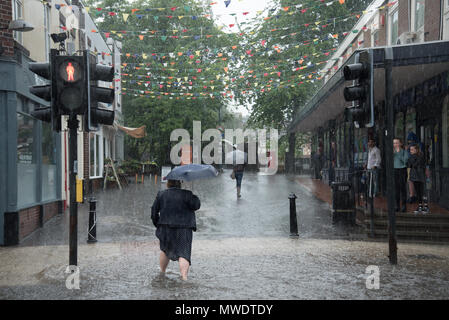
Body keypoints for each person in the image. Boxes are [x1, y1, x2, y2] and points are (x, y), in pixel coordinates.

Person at [151, 179, 201, 280]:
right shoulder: (187, 194)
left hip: (166, 227)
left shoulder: (161, 194)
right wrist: (193, 195)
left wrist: (158, 224)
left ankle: (162, 272)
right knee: (184, 253)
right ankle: (184, 277)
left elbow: (153, 212)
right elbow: (196, 205)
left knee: (165, 250)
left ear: (168, 184)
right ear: (180, 184)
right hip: (184, 228)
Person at [407, 144, 428, 214]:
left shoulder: (421, 156)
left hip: (420, 175)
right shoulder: (411, 157)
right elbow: (409, 165)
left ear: (416, 150)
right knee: (418, 191)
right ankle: (420, 206)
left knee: (422, 191)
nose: (411, 151)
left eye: (412, 149)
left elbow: (415, 164)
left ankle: (425, 206)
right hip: (414, 176)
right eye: (410, 150)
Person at [393, 138, 409, 212]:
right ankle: (396, 205)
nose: (395, 144)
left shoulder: (404, 152)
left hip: (402, 170)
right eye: (394, 143)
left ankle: (403, 205)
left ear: (400, 144)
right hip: (395, 170)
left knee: (403, 188)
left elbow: (405, 161)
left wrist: (398, 153)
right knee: (396, 189)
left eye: (396, 143)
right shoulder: (392, 152)